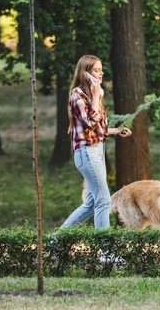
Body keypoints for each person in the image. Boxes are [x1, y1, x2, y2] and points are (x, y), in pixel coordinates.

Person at [61, 55, 132, 229]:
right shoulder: (77, 95)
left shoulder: (93, 95)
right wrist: (95, 95)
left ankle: (56, 240)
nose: (101, 74)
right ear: (86, 74)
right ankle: (106, 253)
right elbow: (91, 122)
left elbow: (96, 128)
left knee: (92, 203)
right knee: (104, 202)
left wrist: (116, 131)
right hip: (87, 153)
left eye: (101, 70)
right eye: (96, 71)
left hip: (96, 150)